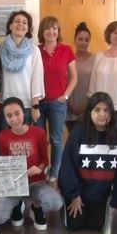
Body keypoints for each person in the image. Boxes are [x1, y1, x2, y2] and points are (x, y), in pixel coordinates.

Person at [59, 92, 117, 231]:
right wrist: (74, 195)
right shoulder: (78, 133)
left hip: (100, 195)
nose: (102, 114)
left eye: (106, 110)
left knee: (95, 226)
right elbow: (68, 166)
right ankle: (65, 205)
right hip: (79, 194)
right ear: (90, 112)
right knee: (74, 225)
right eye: (97, 110)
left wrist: (116, 201)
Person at [0, 97, 63, 230]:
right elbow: (4, 162)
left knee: (55, 203)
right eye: (9, 116)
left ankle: (36, 207)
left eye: (17, 113)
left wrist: (39, 168)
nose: (14, 119)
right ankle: (17, 204)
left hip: (36, 182)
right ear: (5, 117)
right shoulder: (2, 136)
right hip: (15, 185)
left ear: (23, 113)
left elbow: (45, 159)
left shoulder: (38, 132)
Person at [36, 16, 77, 183]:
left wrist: (65, 96)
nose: (51, 32)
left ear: (58, 31)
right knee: (40, 138)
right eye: (47, 28)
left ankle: (54, 172)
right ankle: (41, 167)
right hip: (38, 102)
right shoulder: (35, 50)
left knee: (56, 139)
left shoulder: (66, 50)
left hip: (58, 103)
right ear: (42, 32)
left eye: (55, 28)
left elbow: (74, 78)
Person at [0, 11, 45, 129]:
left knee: (24, 143)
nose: (21, 24)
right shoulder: (1, 49)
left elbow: (37, 79)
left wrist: (35, 107)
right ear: (10, 26)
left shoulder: (34, 50)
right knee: (6, 142)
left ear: (28, 28)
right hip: (5, 103)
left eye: (25, 23)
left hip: (26, 105)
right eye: (17, 21)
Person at [66, 22, 94, 132]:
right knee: (73, 139)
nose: (83, 42)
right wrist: (69, 104)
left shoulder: (96, 59)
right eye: (80, 39)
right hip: (70, 106)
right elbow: (64, 82)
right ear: (75, 39)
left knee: (88, 142)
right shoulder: (68, 58)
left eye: (86, 40)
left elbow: (96, 83)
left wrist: (88, 103)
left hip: (89, 106)